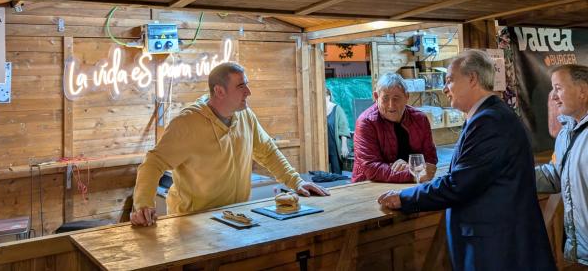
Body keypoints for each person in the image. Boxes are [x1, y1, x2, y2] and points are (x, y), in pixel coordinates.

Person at [377, 50, 555, 271]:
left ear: (472, 79)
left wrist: (404, 198)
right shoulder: (489, 115)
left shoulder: (489, 122)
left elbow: (458, 184)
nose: (445, 88)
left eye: (450, 80)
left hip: (496, 249)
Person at [131, 62, 329, 226]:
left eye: (247, 84)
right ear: (219, 91)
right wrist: (143, 206)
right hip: (193, 223)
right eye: (241, 86)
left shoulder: (245, 116)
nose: (248, 92)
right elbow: (153, 163)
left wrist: (296, 181)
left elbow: (268, 152)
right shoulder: (187, 123)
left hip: (236, 217)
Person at [536, 64, 588, 265]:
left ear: (582, 91)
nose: (554, 97)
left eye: (558, 88)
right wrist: (513, 174)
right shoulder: (566, 132)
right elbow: (557, 175)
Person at [352, 73, 438, 183]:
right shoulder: (366, 122)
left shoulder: (420, 119)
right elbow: (371, 168)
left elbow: (430, 159)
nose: (391, 105)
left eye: (396, 98)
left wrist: (410, 167)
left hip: (411, 183)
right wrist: (412, 173)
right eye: (385, 98)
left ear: (407, 97)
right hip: (369, 184)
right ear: (376, 97)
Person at [326, 88, 350, 174]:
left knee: (336, 173)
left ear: (328, 96)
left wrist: (344, 146)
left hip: (334, 148)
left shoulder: (337, 109)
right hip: (323, 148)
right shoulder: (318, 111)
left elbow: (343, 128)